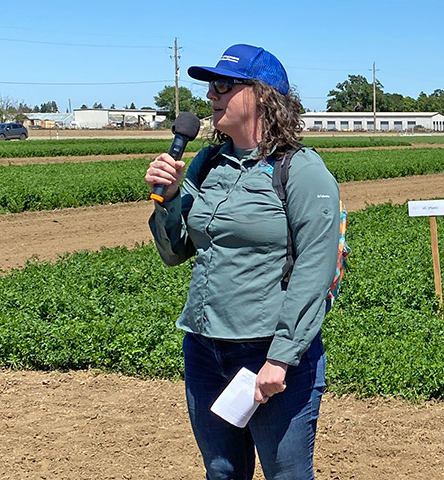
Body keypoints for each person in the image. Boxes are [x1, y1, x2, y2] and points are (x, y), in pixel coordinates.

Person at [145, 44, 340, 480]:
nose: (211, 96)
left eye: (223, 85)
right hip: (203, 347)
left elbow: (317, 269)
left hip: (269, 353)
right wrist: (169, 199)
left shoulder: (302, 170)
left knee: (286, 475)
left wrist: (281, 358)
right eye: (211, 86)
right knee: (222, 472)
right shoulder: (207, 162)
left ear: (262, 96)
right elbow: (173, 251)